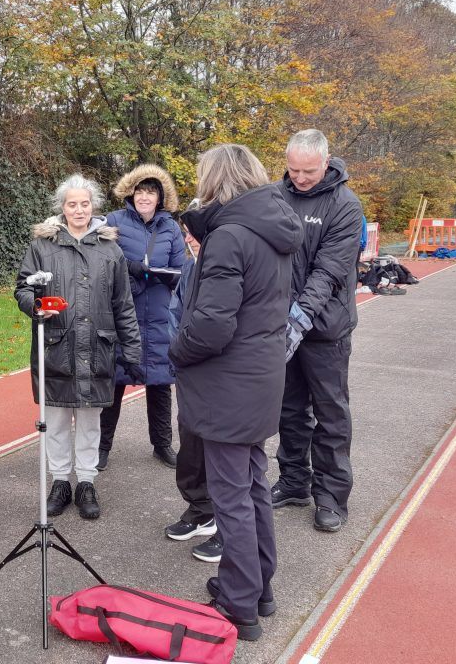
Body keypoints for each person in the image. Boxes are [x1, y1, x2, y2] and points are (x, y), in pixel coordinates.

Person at [169, 144, 301, 641]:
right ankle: (259, 587)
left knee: (232, 497)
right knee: (252, 487)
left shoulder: (230, 237)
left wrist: (175, 352)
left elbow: (211, 327)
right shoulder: (274, 230)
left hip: (229, 382)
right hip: (260, 375)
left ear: (217, 180)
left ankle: (239, 601)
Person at [15, 174, 142, 520]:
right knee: (55, 419)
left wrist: (133, 351)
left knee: (89, 420)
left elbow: (123, 304)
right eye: (72, 204)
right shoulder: (43, 245)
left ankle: (86, 481)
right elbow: (23, 288)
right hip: (56, 344)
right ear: (62, 207)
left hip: (97, 347)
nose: (79, 210)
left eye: (84, 203)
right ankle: (60, 481)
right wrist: (35, 305)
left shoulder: (110, 249)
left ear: (93, 206)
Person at [273, 129, 364, 532]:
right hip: (281, 323)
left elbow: (328, 272)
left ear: (326, 163)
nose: (300, 178)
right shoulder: (277, 194)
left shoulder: (345, 205)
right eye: (293, 170)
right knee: (288, 410)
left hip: (325, 328)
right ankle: (294, 481)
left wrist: (299, 318)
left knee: (330, 413)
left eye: (308, 171)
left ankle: (330, 495)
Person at [99, 165, 184, 471]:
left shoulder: (171, 227)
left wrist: (159, 275)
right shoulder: (114, 221)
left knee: (160, 382)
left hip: (160, 313)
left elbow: (180, 271)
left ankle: (162, 444)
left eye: (151, 191)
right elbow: (103, 263)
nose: (145, 197)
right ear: (131, 192)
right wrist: (132, 270)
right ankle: (101, 446)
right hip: (124, 312)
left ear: (161, 197)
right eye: (140, 190)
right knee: (114, 382)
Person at [164, 205, 221, 563]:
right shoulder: (189, 267)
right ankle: (200, 510)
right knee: (191, 444)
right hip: (190, 372)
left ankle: (227, 526)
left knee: (224, 453)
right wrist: (179, 352)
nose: (187, 239)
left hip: (221, 376)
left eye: (193, 233)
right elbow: (175, 315)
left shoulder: (226, 268)